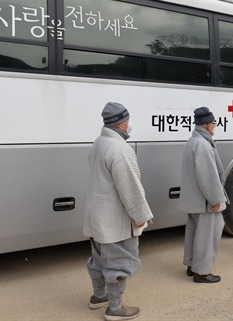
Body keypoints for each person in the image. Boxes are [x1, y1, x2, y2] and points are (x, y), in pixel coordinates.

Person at [84, 102, 153, 321]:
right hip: (114, 221)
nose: (129, 124)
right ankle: (115, 308)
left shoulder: (99, 142)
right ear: (122, 122)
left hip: (96, 217)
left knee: (98, 259)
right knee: (119, 263)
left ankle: (99, 296)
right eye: (128, 120)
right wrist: (140, 216)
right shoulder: (120, 149)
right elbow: (130, 187)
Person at [179, 107, 228, 283]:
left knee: (194, 233)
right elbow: (208, 176)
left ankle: (192, 265)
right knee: (208, 235)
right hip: (204, 201)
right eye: (214, 123)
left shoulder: (193, 141)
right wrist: (216, 199)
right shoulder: (203, 145)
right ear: (207, 125)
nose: (215, 126)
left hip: (193, 200)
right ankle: (202, 272)